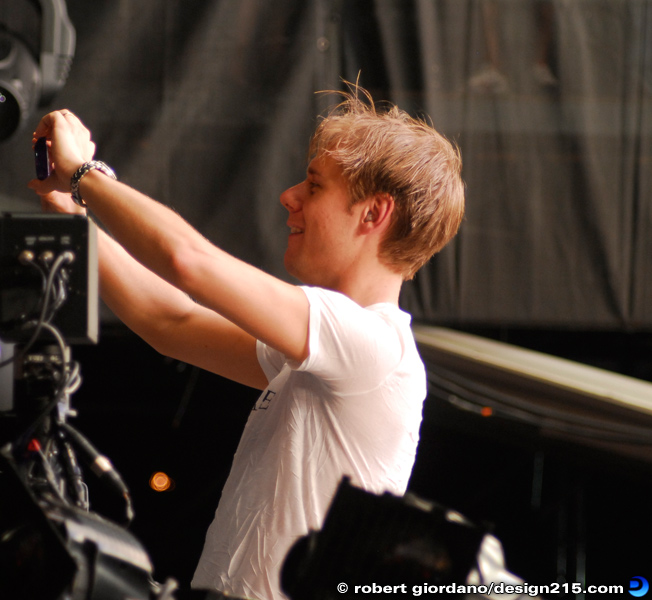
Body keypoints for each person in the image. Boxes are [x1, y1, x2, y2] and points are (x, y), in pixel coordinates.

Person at [28, 87, 465, 600]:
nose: (290, 196)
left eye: (315, 185)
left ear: (373, 214)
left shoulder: (374, 345)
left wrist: (85, 174)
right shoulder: (328, 351)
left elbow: (190, 263)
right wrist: (71, 212)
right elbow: (168, 321)